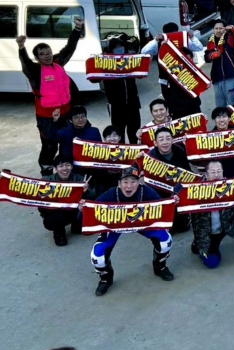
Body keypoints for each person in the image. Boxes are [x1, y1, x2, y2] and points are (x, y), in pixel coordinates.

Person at [17, 15, 84, 173]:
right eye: (42, 54)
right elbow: (25, 63)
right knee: (50, 145)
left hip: (65, 112)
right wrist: (21, 47)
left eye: (48, 53)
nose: (47, 56)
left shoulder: (58, 63)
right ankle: (46, 171)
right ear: (37, 57)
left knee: (67, 141)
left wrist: (77, 29)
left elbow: (69, 48)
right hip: (46, 117)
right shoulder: (35, 71)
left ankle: (65, 169)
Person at [90, 172, 174, 296]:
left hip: (142, 223)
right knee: (97, 256)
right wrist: (82, 209)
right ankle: (105, 279)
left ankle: (160, 267)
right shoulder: (111, 193)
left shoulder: (146, 191)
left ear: (139, 182)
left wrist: (173, 201)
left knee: (165, 241)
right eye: (125, 182)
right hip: (116, 227)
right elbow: (91, 211)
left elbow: (162, 207)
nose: (129, 186)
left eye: (133, 182)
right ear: (119, 184)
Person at [190, 160, 234, 268]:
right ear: (206, 174)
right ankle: (197, 244)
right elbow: (181, 199)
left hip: (228, 224)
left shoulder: (232, 186)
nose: (217, 174)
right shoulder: (195, 190)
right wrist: (177, 198)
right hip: (209, 233)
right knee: (212, 263)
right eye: (213, 172)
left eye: (219, 171)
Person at [97, 34, 143, 143]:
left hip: (133, 104)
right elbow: (95, 79)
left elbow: (141, 74)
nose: (119, 49)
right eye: (116, 48)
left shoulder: (130, 61)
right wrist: (100, 62)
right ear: (111, 50)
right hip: (116, 106)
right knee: (118, 133)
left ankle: (134, 151)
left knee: (134, 133)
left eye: (121, 47)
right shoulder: (105, 63)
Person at [38, 156, 86, 246]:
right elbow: (37, 199)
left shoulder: (80, 179)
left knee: (86, 204)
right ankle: (59, 233)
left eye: (67, 165)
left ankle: (76, 226)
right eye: (61, 166)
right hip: (55, 213)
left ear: (72, 167)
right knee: (56, 216)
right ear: (55, 168)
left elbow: (93, 196)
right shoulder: (46, 181)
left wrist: (86, 191)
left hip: (73, 210)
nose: (65, 168)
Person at [205, 21, 234, 109]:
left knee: (233, 105)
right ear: (213, 30)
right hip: (217, 78)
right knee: (220, 106)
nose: (218, 30)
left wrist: (232, 28)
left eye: (221, 28)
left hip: (230, 75)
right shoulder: (210, 42)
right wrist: (211, 55)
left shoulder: (229, 38)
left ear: (224, 29)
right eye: (216, 28)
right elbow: (206, 58)